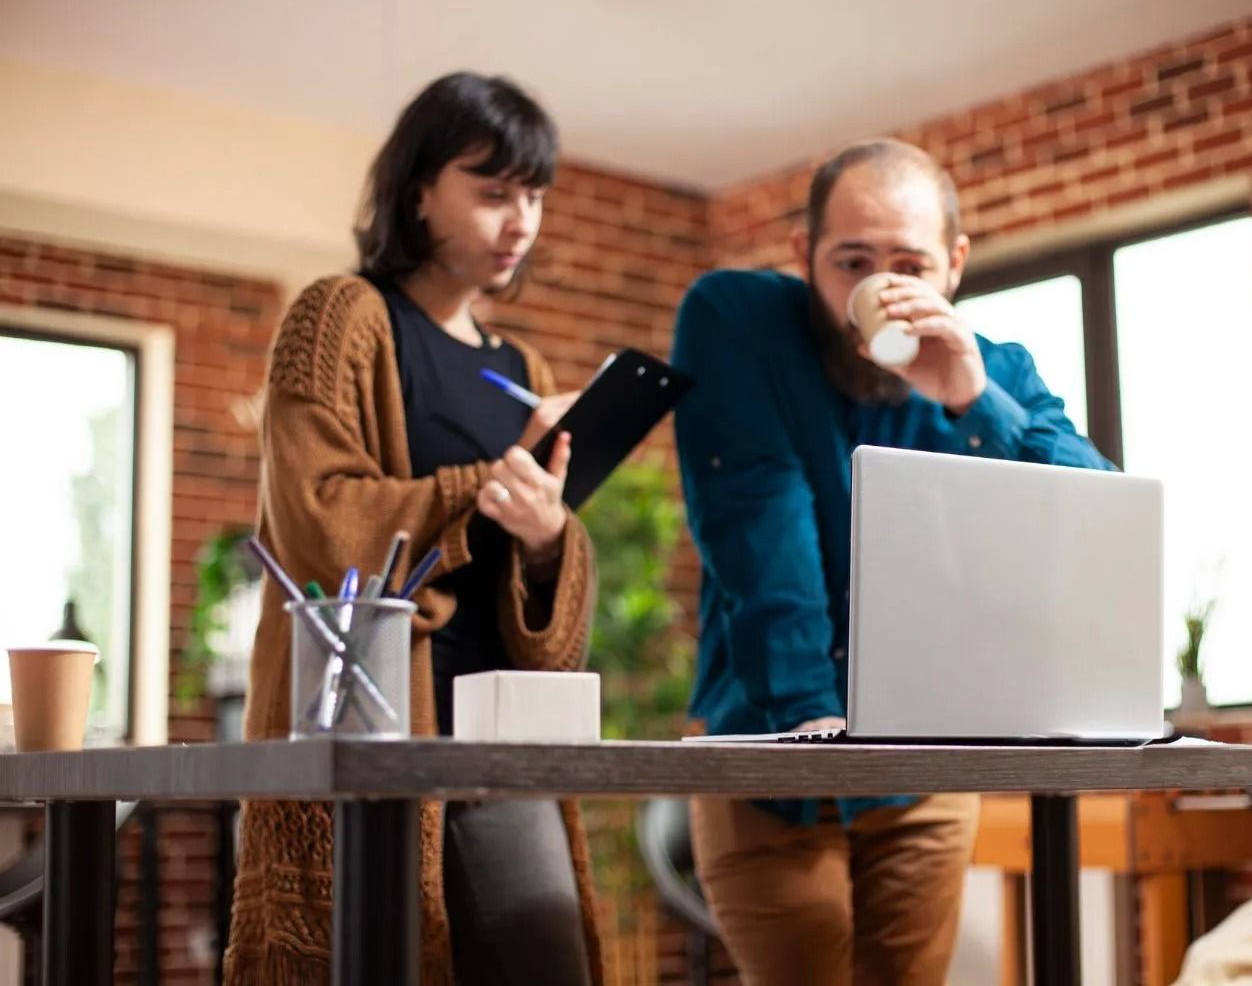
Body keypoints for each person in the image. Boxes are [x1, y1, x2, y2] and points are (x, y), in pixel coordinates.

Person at [671, 138, 1113, 985]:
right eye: (851, 261)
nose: (879, 284)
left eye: (908, 261)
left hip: (925, 771)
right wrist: (810, 718)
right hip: (772, 758)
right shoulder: (739, 321)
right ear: (803, 257)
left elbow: (1093, 518)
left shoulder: (996, 368)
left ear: (953, 264)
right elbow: (761, 522)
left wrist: (973, 401)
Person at [224, 72, 603, 986]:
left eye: (535, 196)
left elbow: (542, 588)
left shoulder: (522, 365)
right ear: (419, 189)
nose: (522, 222)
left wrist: (550, 537)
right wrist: (487, 484)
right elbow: (319, 521)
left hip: (501, 744)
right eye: (494, 192)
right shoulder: (339, 317)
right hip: (372, 738)